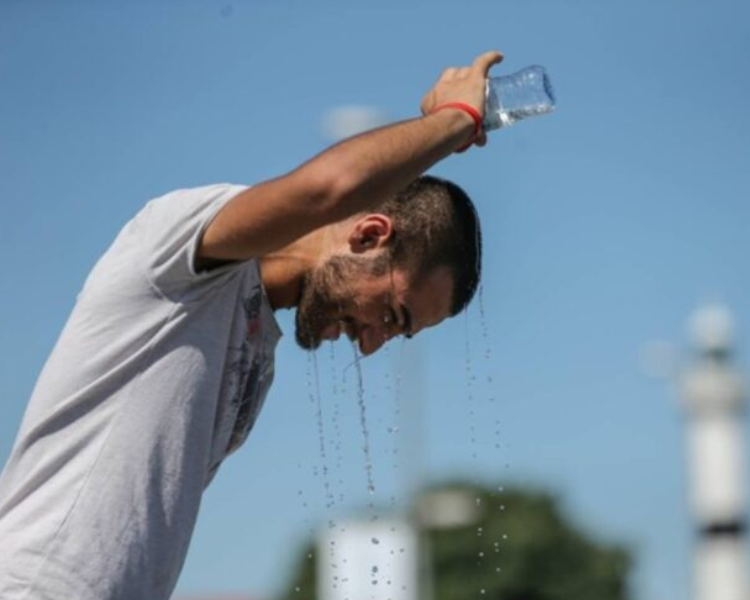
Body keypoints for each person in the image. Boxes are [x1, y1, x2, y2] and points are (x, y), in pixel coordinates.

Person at [0, 50, 504, 600]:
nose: (372, 343)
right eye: (391, 313)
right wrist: (455, 119)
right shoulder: (185, 252)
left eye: (395, 333)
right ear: (369, 235)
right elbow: (328, 189)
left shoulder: (257, 346)